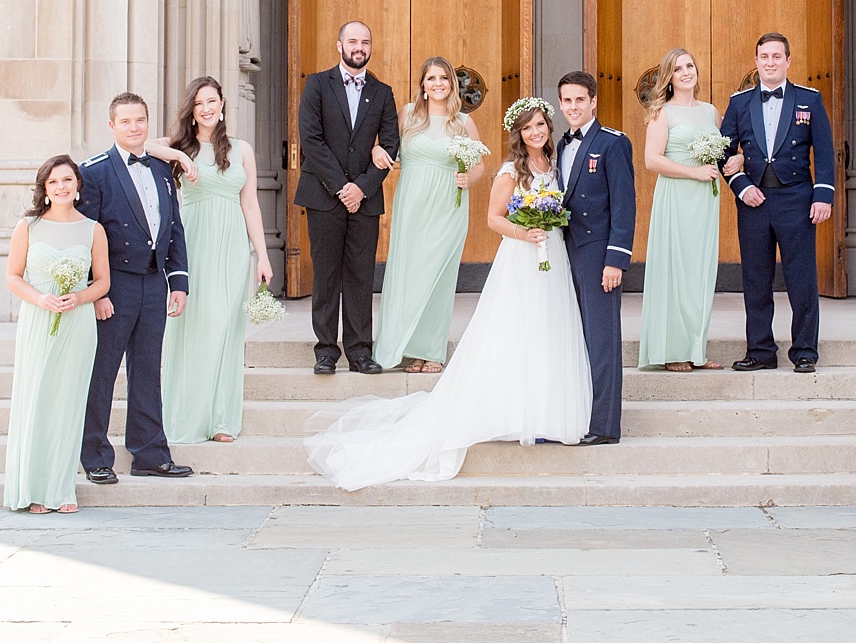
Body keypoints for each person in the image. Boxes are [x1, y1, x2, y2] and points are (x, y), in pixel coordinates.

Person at [303, 98, 592, 488]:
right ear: (519, 134)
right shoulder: (512, 170)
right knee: (516, 328)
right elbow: (493, 218)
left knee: (549, 330)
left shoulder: (555, 167)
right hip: (522, 257)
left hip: (552, 255)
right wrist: (525, 232)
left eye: (540, 125)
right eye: (528, 128)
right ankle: (512, 410)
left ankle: (546, 410)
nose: (536, 132)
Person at [78, 93, 194, 484]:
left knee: (147, 371)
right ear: (111, 126)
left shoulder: (162, 169)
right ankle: (94, 456)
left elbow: (173, 227)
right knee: (103, 372)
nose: (134, 128)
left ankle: (149, 453)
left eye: (140, 120)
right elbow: (86, 237)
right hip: (115, 285)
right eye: (125, 121)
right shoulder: (93, 172)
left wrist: (178, 282)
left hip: (153, 284)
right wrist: (97, 292)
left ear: (148, 122)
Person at [154, 76, 273, 444]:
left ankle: (221, 418)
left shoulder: (241, 149)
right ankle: (188, 414)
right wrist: (176, 155)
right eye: (199, 103)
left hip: (233, 244)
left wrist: (262, 256)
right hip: (193, 242)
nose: (207, 108)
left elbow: (249, 203)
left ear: (223, 105)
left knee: (225, 326)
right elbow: (140, 145)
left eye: (212, 101)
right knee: (192, 327)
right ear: (191, 110)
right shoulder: (177, 146)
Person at [720, 32, 836, 374]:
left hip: (797, 199)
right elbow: (722, 151)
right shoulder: (739, 103)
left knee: (802, 279)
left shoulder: (809, 99)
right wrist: (741, 186)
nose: (770, 63)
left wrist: (823, 195)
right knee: (756, 278)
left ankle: (804, 351)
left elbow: (825, 152)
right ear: (756, 62)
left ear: (788, 61)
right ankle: (760, 350)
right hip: (754, 200)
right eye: (764, 57)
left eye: (776, 56)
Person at [3, 155, 111, 513]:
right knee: (38, 401)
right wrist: (41, 298)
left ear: (78, 185)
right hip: (38, 322)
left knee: (68, 405)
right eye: (53, 182)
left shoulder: (93, 229)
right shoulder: (28, 227)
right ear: (45, 189)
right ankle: (34, 489)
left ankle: (61, 489)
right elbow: (13, 277)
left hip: (77, 325)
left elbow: (104, 282)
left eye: (67, 180)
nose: (62, 187)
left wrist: (79, 296)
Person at [294, 20, 400, 376]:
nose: (359, 47)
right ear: (339, 45)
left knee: (360, 275)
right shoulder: (317, 85)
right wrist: (343, 187)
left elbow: (389, 145)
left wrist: (363, 188)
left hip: (365, 199)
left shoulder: (382, 92)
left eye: (365, 42)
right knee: (326, 274)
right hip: (324, 195)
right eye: (352, 41)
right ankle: (326, 351)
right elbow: (311, 139)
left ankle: (359, 351)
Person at [372, 57, 487, 373]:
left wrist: (469, 178)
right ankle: (407, 347)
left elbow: (479, 165)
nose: (437, 83)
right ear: (422, 84)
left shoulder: (462, 122)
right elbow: (386, 148)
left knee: (438, 279)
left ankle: (432, 351)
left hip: (447, 208)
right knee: (408, 275)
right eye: (431, 78)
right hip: (412, 207)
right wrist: (375, 150)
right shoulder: (407, 115)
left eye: (444, 78)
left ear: (451, 84)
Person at [557, 71, 637, 444]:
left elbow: (624, 205)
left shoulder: (612, 143)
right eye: (566, 101)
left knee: (603, 339)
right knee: (576, 338)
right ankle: (581, 412)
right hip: (567, 251)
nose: (573, 107)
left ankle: (605, 426)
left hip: (598, 254)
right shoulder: (560, 145)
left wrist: (615, 261)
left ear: (593, 102)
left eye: (579, 100)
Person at [639, 48, 728, 371]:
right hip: (677, 197)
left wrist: (737, 160)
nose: (686, 72)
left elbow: (724, 153)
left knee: (699, 273)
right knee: (675, 272)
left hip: (705, 200)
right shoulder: (663, 113)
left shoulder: (710, 111)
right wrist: (694, 172)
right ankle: (672, 350)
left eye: (690, 65)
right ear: (669, 77)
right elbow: (652, 160)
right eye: (678, 69)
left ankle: (696, 348)